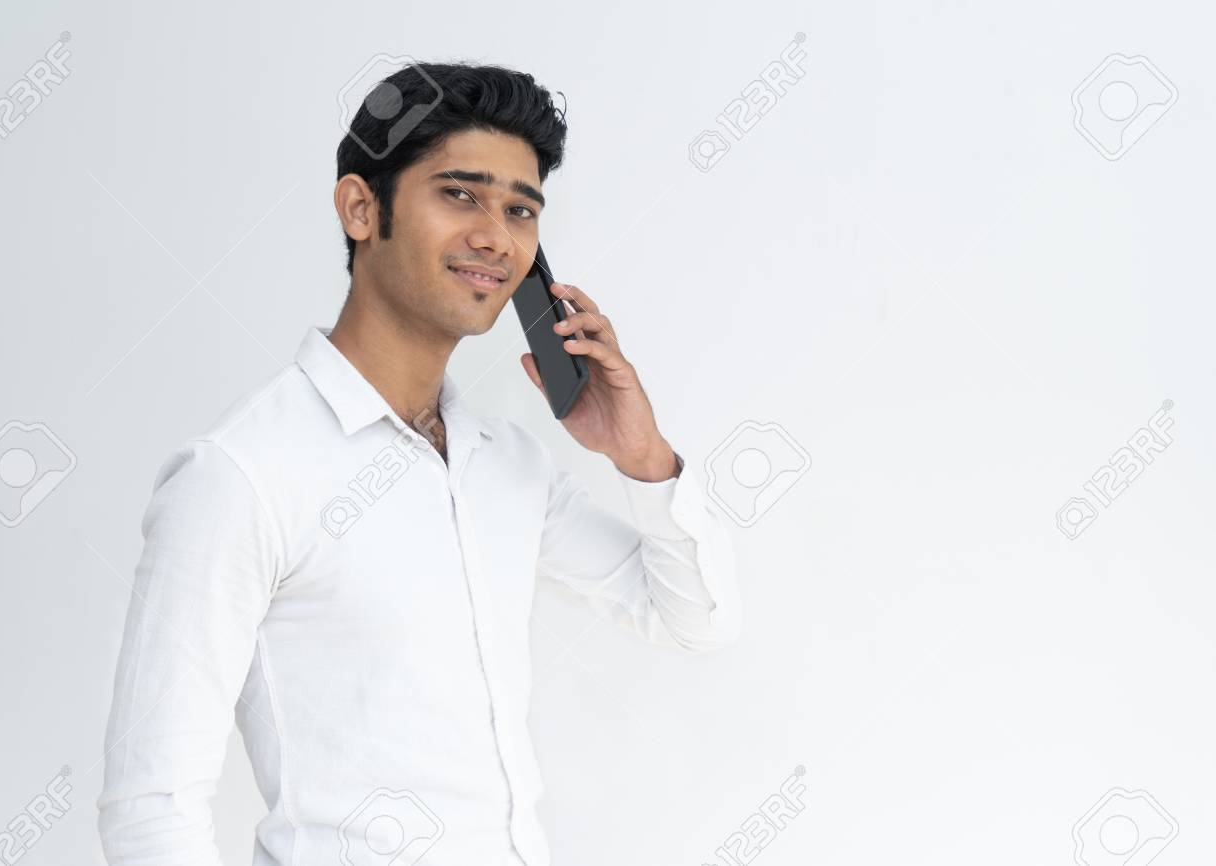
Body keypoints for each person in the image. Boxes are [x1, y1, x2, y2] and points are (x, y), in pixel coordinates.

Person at [96, 61, 742, 866]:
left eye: (520, 210)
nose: (495, 237)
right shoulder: (241, 475)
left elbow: (695, 620)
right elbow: (151, 812)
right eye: (460, 194)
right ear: (362, 208)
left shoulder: (506, 464)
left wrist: (642, 456)